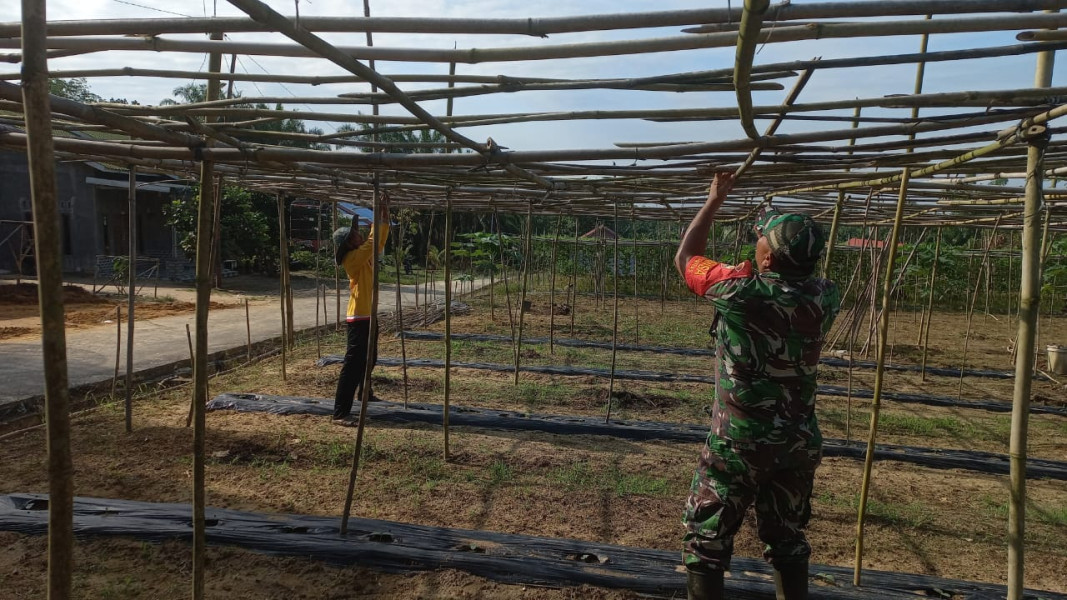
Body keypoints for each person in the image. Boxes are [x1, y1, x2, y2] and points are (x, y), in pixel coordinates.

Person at [673, 172, 841, 600]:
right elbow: (794, 277)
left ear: (767, 259)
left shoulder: (738, 293)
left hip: (739, 444)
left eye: (761, 241)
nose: (756, 243)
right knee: (786, 537)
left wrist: (712, 202)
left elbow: (687, 257)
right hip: (798, 441)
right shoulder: (825, 297)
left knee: (707, 539)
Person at [331, 195, 391, 423]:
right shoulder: (353, 258)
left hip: (368, 314)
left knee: (370, 358)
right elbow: (374, 243)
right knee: (353, 363)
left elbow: (379, 243)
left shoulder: (361, 254)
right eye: (355, 233)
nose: (359, 234)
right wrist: (379, 215)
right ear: (349, 242)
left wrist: (383, 217)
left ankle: (365, 391)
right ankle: (340, 412)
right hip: (359, 317)